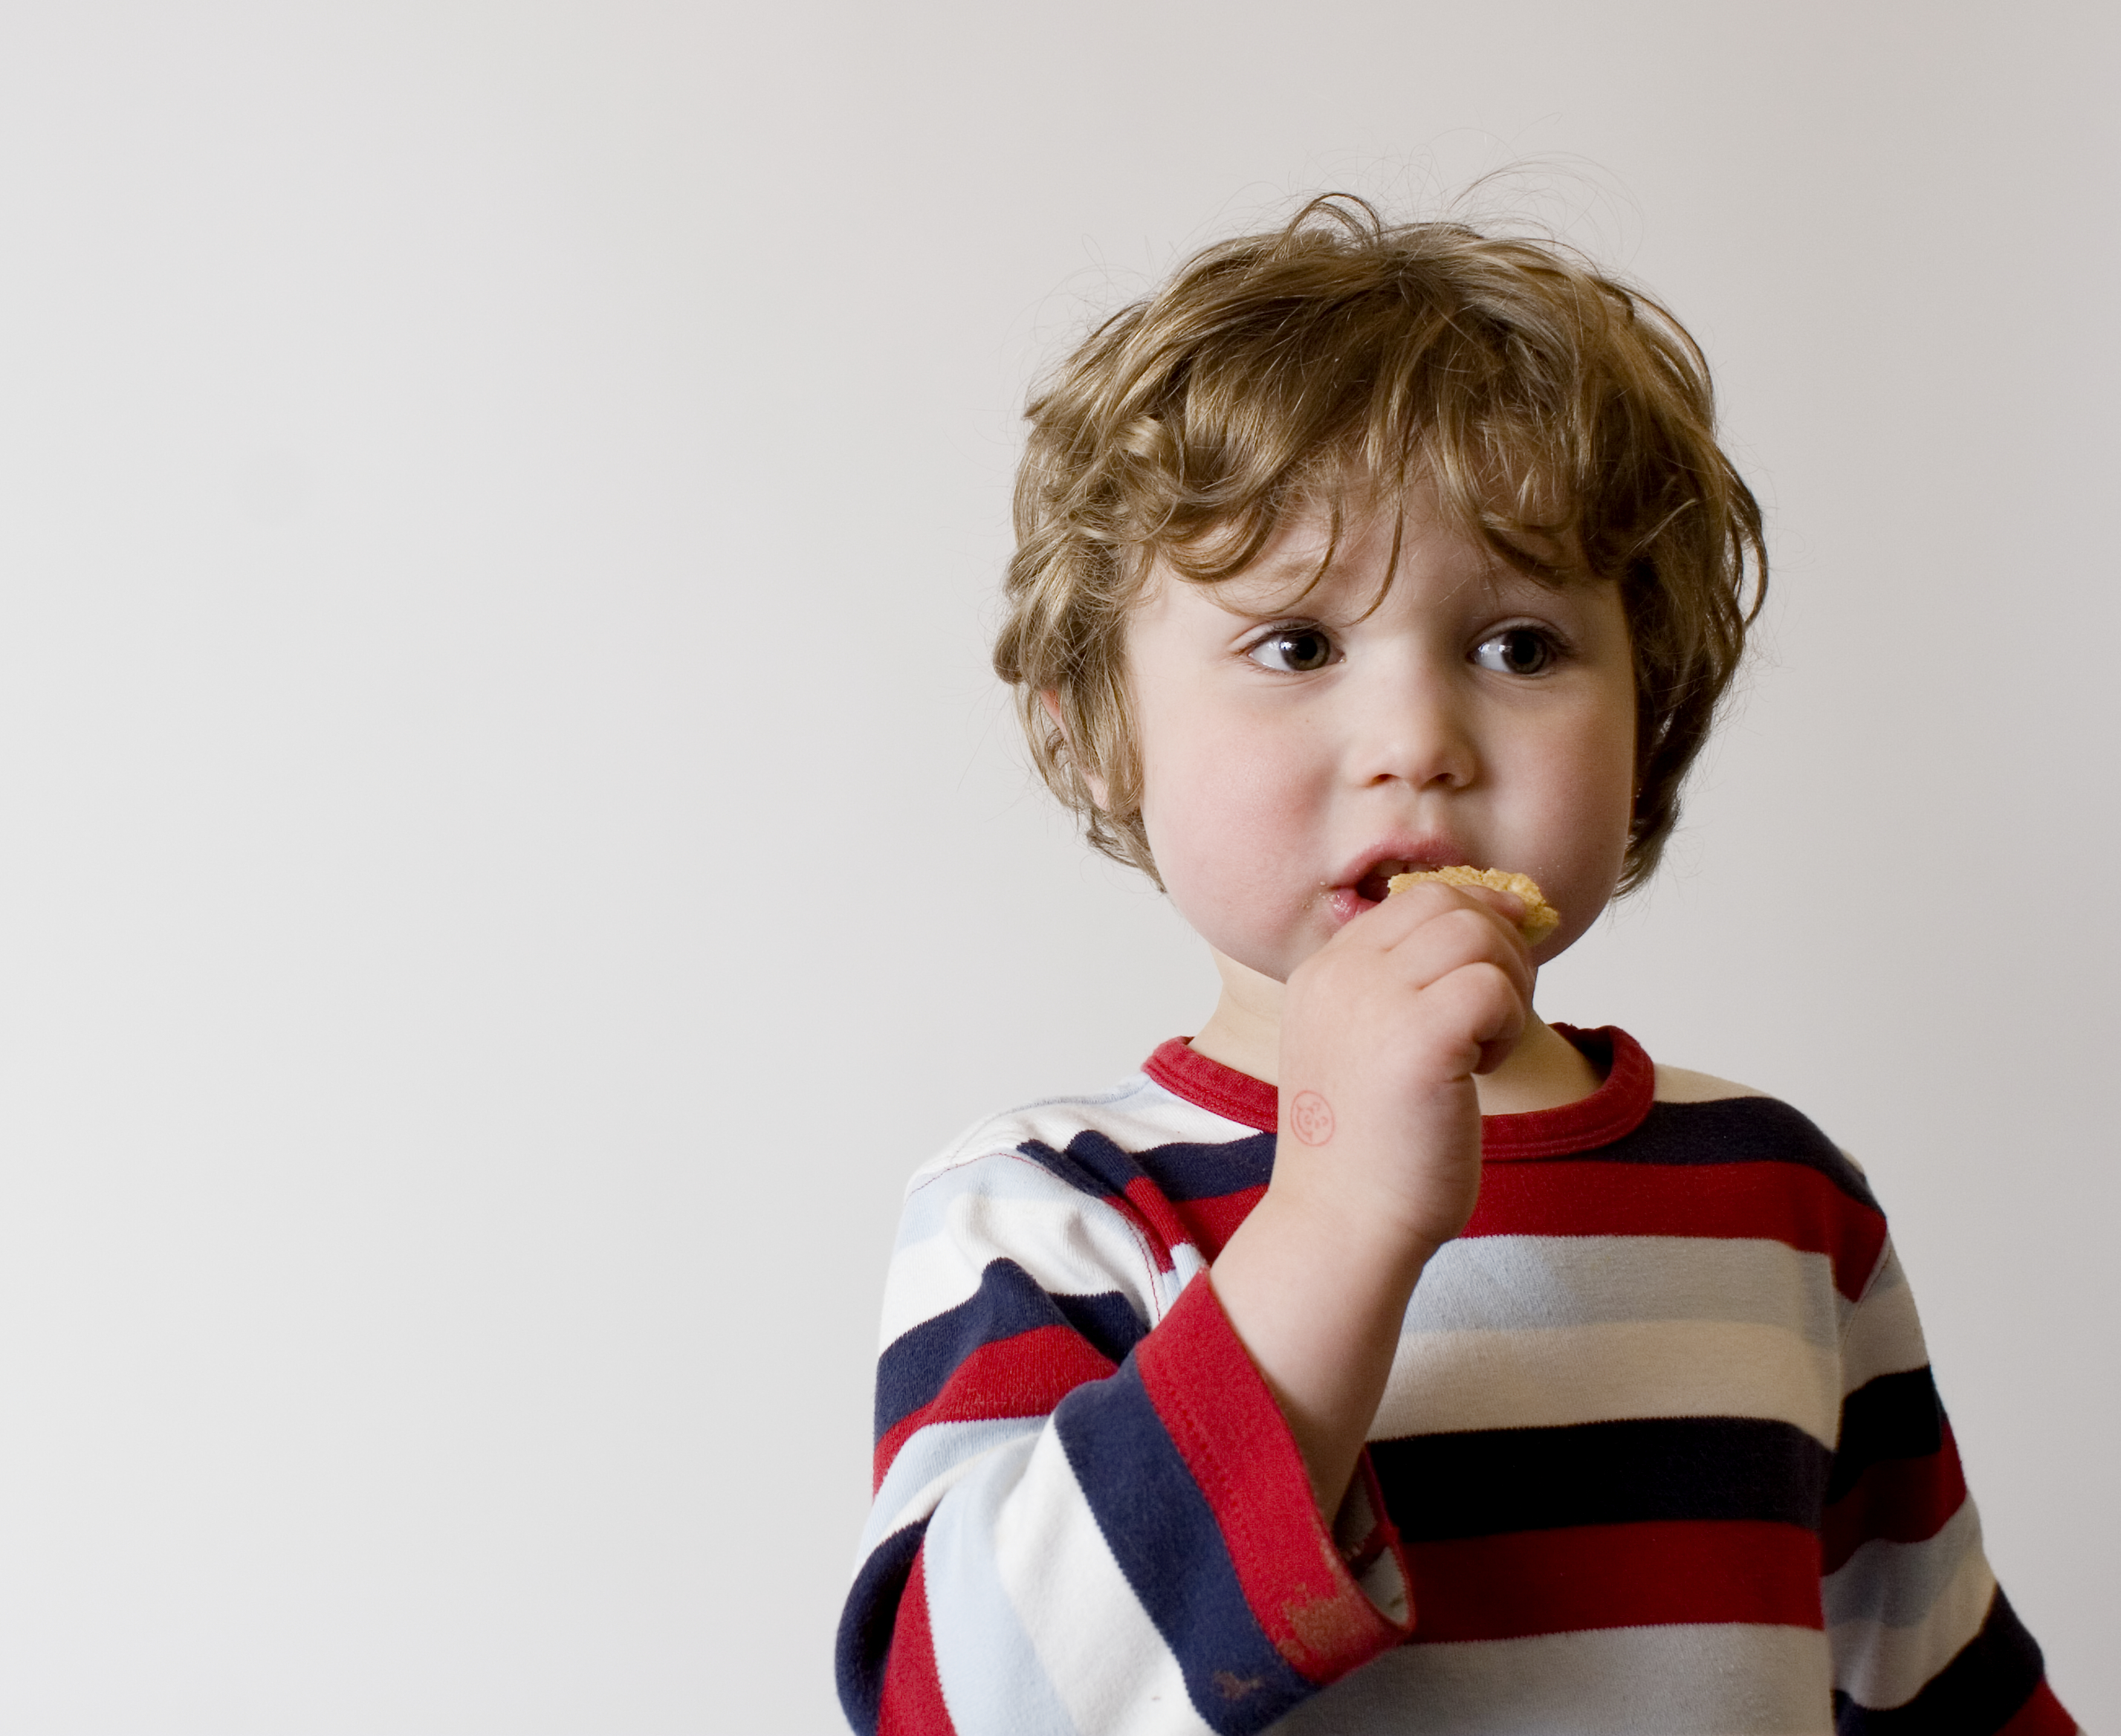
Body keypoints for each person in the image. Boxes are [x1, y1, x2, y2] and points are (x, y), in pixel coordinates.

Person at [834, 197, 2073, 1735]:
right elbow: (955, 1709)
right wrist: (1341, 1218)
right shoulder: (1051, 1205)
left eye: (1521, 646)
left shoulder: (1781, 1200)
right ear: (1094, 725)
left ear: (1654, 715)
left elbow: (1948, 1696)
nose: (1419, 742)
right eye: (1295, 645)